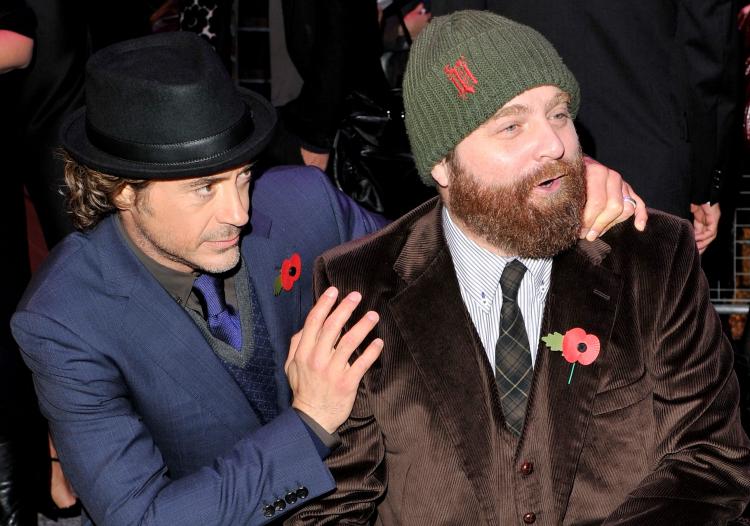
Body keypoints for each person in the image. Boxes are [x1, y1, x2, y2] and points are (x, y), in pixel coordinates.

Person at [11, 29, 643, 526]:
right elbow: (145, 518)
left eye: (240, 176)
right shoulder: (66, 316)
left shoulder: (298, 204)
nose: (238, 211)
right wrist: (309, 422)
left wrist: (561, 191)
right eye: (204, 189)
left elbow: (437, 251)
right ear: (122, 192)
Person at [289, 11, 750, 525]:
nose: (554, 145)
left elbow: (712, 461)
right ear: (442, 163)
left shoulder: (651, 256)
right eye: (511, 125)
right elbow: (330, 507)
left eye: (559, 114)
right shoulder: (360, 289)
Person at [430, 0, 741, 255]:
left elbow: (451, 39)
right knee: (645, 319)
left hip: (514, 158)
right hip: (646, 158)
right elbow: (709, 53)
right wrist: (705, 184)